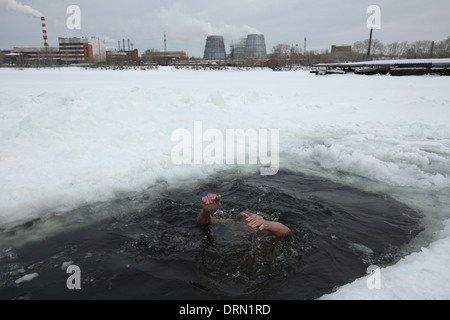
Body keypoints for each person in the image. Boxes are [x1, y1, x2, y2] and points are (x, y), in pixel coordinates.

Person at [197, 193, 290, 237]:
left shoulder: (262, 229)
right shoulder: (232, 223)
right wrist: (207, 212)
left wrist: (268, 224)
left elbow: (285, 231)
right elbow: (205, 223)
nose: (247, 223)